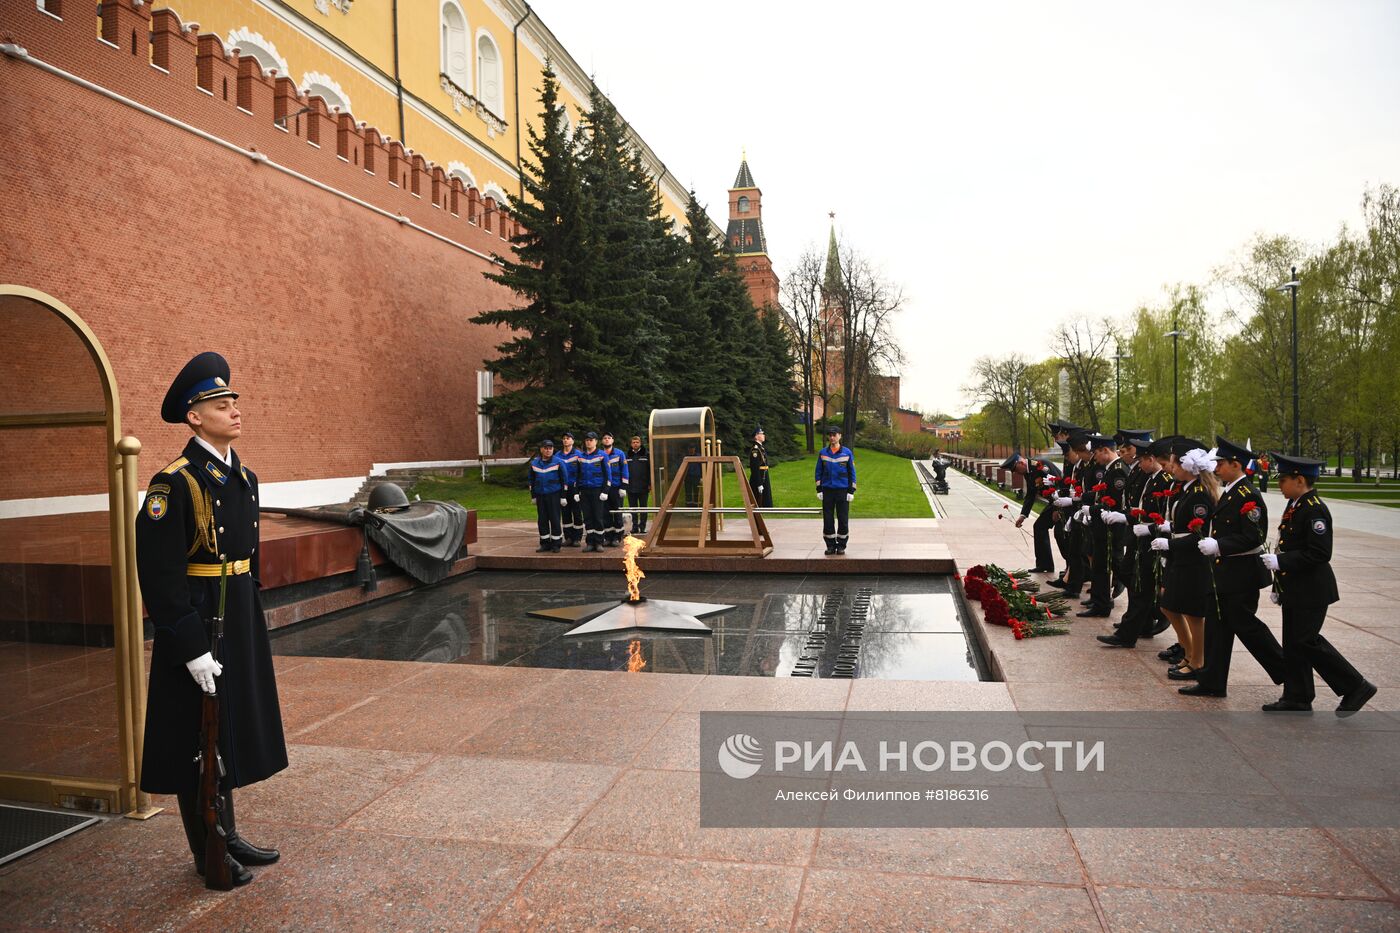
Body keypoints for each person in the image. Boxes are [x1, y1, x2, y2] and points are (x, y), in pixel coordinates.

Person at [137, 352, 286, 888]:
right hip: (200, 621)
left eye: (233, 402)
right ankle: (209, 852)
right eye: (221, 404)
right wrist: (190, 645)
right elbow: (158, 574)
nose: (234, 410)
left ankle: (228, 829)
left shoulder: (242, 473)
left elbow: (247, 553)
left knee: (229, 726)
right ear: (194, 417)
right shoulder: (172, 484)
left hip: (238, 613)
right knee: (194, 737)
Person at [1262, 453, 1377, 713]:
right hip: (1296, 587)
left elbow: (1320, 553)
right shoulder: (1297, 505)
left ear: (1299, 480)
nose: (1279, 485)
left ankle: (1356, 685)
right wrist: (1279, 584)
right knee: (1293, 642)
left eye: (1282, 480)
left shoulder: (1313, 509)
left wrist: (1282, 563)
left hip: (1312, 589)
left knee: (1306, 640)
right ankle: (1297, 696)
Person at [1181, 437, 1285, 699]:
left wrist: (1219, 545)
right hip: (1225, 573)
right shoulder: (1232, 491)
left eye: (1221, 464)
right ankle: (1212, 681)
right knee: (1217, 628)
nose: (1216, 468)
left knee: (1246, 626)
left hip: (1241, 574)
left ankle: (1287, 668)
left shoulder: (1248, 494)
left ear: (1235, 464)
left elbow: (1254, 536)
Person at [1147, 438, 1218, 683]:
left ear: (1188, 466)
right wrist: (1170, 530)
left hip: (1193, 560)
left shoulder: (1199, 495)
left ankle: (1197, 659)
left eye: (1176, 463)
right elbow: (1182, 526)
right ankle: (1189, 652)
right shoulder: (1187, 490)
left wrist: (1171, 542)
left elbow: (1197, 534)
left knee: (1193, 613)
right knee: (1168, 605)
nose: (1172, 468)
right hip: (1181, 557)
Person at [1098, 436, 1167, 648]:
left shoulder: (1162, 480)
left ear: (1151, 459)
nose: (1138, 464)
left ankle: (1133, 630)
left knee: (1140, 585)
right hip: (1138, 533)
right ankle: (1147, 618)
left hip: (1151, 538)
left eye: (1142, 460)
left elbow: (1160, 513)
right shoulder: (1149, 476)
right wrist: (1127, 516)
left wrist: (1136, 521)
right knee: (1130, 576)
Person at [1077, 434, 1129, 618]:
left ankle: (1105, 600)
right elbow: (1101, 495)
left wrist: (1091, 509)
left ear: (1105, 451)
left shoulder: (1118, 470)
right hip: (1101, 524)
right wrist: (1079, 500)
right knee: (1099, 564)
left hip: (1111, 526)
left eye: (1097, 453)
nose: (1095, 457)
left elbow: (1113, 502)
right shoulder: (1109, 469)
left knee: (1112, 564)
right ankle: (1099, 600)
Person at [1001, 452, 1061, 573]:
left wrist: (1057, 509)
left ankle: (1077, 570)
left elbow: (1060, 483)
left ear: (1020, 463)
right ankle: (1045, 565)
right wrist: (1022, 516)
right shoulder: (1028, 472)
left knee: (1062, 534)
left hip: (1062, 502)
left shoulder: (1040, 466)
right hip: (1054, 502)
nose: (1015, 473)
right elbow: (1030, 494)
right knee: (1039, 527)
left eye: (1015, 469)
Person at [815, 425, 857, 554]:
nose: (832, 437)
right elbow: (818, 471)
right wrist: (819, 489)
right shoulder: (823, 453)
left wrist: (851, 491)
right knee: (828, 519)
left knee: (843, 518)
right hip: (827, 490)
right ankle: (830, 545)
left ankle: (841, 545)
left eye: (835, 435)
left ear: (840, 436)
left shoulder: (847, 453)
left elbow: (852, 473)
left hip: (842, 490)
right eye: (830, 435)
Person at [572, 432, 612, 552]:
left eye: (591, 440)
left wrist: (605, 491)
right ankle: (590, 542)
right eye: (587, 440)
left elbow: (607, 475)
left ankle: (599, 542)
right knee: (588, 517)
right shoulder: (581, 457)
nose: (589, 442)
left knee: (598, 517)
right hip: (584, 491)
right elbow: (577, 476)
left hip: (597, 490)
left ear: (596, 441)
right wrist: (576, 491)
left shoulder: (602, 455)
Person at [527, 438, 569, 552]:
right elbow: (531, 480)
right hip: (540, 496)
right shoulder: (534, 463)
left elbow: (564, 481)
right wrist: (533, 496)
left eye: (550, 448)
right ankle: (545, 543)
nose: (548, 450)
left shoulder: (558, 462)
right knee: (542, 520)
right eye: (545, 448)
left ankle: (556, 544)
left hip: (554, 495)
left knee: (555, 519)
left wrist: (563, 496)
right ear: (541, 450)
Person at [600, 431, 629, 546]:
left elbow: (625, 470)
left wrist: (623, 487)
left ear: (612, 440)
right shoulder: (600, 454)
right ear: (602, 441)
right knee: (605, 513)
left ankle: (617, 536)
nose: (607, 439)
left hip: (616, 488)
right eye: (605, 438)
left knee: (617, 512)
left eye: (609, 438)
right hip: (604, 489)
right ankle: (608, 537)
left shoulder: (619, 454)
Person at [557, 431, 584, 547]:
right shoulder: (557, 456)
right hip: (563, 489)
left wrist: (579, 488)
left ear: (573, 441)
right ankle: (568, 537)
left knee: (577, 513)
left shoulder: (578, 455)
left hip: (574, 488)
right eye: (564, 438)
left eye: (568, 438)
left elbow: (582, 472)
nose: (566, 440)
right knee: (565, 513)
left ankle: (577, 538)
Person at [626, 435, 651, 536]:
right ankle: (635, 527)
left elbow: (650, 470)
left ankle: (643, 527)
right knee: (633, 509)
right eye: (633, 442)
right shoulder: (627, 455)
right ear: (631, 444)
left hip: (644, 487)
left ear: (640, 443)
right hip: (631, 487)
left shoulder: (646, 455)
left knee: (643, 508)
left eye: (637, 442)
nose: (635, 444)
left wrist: (650, 483)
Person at [749, 426, 773, 508]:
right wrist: (759, 483)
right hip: (759, 477)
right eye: (761, 434)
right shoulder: (755, 450)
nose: (763, 435)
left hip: (764, 475)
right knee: (759, 500)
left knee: (766, 498)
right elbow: (754, 468)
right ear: (756, 436)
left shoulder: (760, 448)